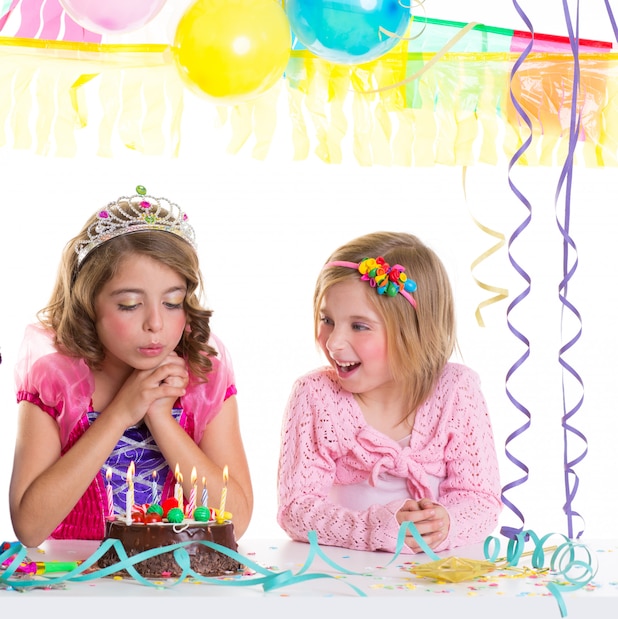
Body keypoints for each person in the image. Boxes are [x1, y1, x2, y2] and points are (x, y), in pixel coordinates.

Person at [10, 186, 253, 548]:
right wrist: (121, 411)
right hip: (78, 586)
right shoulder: (56, 380)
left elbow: (237, 519)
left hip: (178, 586)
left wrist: (160, 417)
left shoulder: (204, 377)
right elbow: (29, 528)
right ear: (88, 304)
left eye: (172, 302)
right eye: (129, 304)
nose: (155, 323)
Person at [277, 231, 501, 554]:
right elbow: (296, 509)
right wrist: (370, 528)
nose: (333, 342)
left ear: (414, 332)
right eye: (327, 319)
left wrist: (446, 523)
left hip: (433, 583)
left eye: (359, 326)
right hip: (345, 579)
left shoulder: (456, 393)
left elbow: (482, 500)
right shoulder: (316, 397)